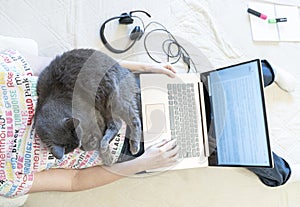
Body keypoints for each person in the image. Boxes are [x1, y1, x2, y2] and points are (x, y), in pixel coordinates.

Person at [0, 49, 296, 198]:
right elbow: (75, 180)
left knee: (194, 92)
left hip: (112, 93)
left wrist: (144, 66)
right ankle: (262, 157)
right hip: (123, 150)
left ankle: (261, 74)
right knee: (204, 139)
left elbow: (76, 63)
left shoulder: (4, 76)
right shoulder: (5, 176)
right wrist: (139, 163)